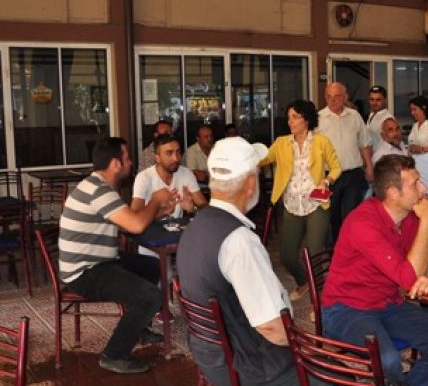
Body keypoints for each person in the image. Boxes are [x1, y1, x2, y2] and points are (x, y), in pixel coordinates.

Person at [177, 137, 325, 385]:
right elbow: (273, 329)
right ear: (250, 183)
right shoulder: (239, 241)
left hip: (210, 356)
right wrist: (308, 348)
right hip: (248, 366)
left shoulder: (195, 225)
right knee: (341, 375)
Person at [322, 154, 428, 386]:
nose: (424, 189)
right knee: (387, 361)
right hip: (346, 308)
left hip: (388, 304)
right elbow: (409, 280)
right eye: (415, 184)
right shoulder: (363, 223)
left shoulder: (410, 219)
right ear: (393, 192)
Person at [58, 137, 177, 374]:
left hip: (97, 261)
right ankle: (114, 355)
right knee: (150, 296)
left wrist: (160, 211)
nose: (130, 163)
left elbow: (128, 221)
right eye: (127, 158)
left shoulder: (96, 185)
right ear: (115, 164)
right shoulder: (99, 190)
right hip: (85, 272)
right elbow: (135, 226)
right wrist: (155, 200)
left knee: (152, 266)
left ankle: (138, 327)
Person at [260, 100, 341, 302]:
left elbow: (336, 167)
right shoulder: (281, 143)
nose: (290, 121)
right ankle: (305, 282)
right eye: (289, 118)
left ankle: (318, 303)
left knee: (314, 256)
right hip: (291, 205)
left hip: (317, 204)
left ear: (307, 119)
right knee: (287, 256)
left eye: (295, 117)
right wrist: (244, 158)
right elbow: (263, 159)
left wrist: (326, 181)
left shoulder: (321, 141)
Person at [316, 82, 373, 247]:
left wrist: (369, 167)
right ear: (325, 97)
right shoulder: (318, 119)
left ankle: (350, 248)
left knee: (351, 215)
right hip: (327, 177)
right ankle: (333, 250)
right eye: (329, 97)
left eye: (337, 96)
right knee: (330, 217)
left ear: (345, 97)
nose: (333, 100)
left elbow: (364, 144)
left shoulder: (354, 116)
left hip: (352, 174)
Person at [132, 133, 207, 221]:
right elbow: (135, 217)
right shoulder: (144, 178)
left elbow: (204, 205)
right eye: (169, 153)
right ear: (157, 158)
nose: (176, 158)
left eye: (178, 152)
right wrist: (162, 212)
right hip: (151, 228)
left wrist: (193, 209)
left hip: (178, 228)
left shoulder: (186, 173)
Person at [407, 95, 428, 192]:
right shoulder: (415, 126)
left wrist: (421, 149)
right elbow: (410, 144)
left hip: (427, 166)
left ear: (424, 108)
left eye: (414, 109)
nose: (412, 113)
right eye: (411, 110)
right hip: (414, 165)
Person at [365, 85, 395, 152]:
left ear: (385, 100)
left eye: (378, 100)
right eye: (372, 99)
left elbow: (393, 143)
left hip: (383, 156)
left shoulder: (388, 119)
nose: (374, 103)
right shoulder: (371, 114)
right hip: (373, 155)